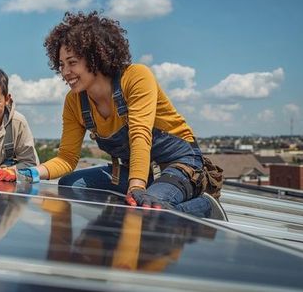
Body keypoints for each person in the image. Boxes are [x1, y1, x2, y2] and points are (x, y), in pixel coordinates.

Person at [24, 11, 222, 218]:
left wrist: (136, 187)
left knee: (147, 208)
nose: (65, 72)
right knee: (69, 185)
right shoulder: (74, 101)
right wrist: (30, 173)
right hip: (137, 171)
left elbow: (140, 135)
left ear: (95, 58)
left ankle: (203, 208)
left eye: (72, 62)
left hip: (177, 164)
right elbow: (66, 158)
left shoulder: (136, 77)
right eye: (61, 65)